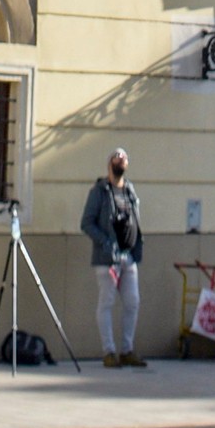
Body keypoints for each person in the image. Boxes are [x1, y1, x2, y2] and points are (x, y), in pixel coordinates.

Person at [81, 147, 144, 367]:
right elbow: (86, 223)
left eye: (125, 157)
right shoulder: (99, 191)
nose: (122, 159)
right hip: (107, 257)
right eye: (117, 156)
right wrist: (105, 242)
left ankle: (127, 349)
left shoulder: (130, 190)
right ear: (109, 164)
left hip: (128, 256)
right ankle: (109, 351)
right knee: (106, 302)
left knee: (132, 302)